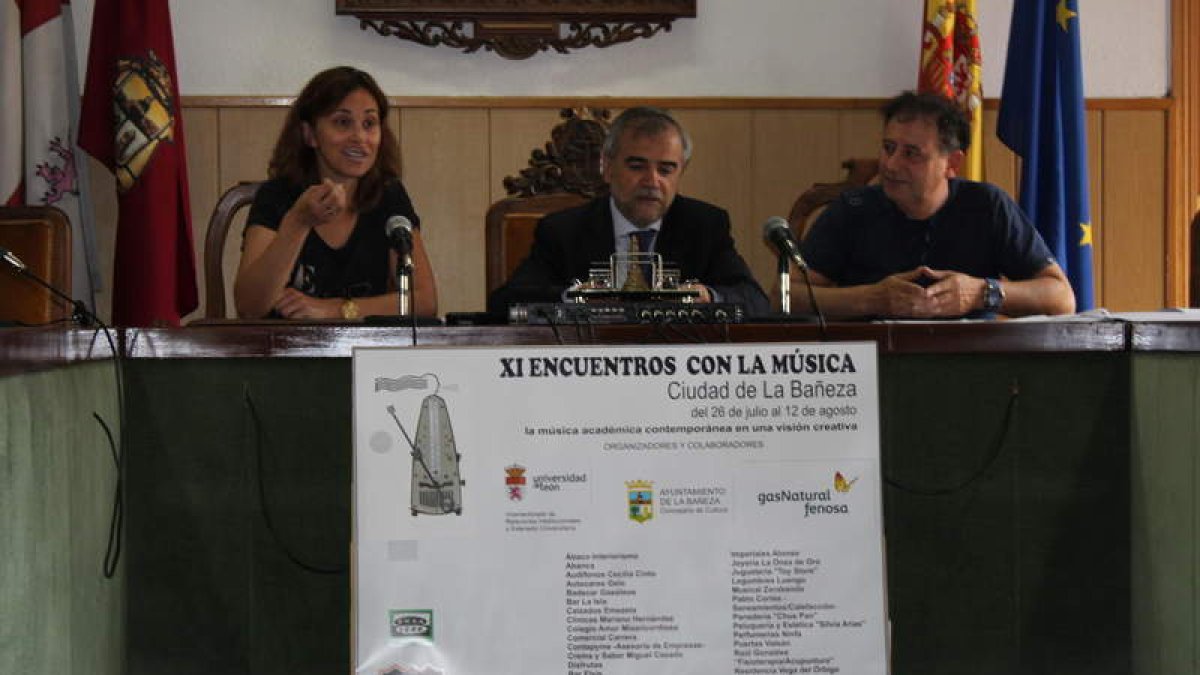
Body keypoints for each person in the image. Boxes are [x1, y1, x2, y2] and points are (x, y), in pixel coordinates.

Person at [791, 91, 1075, 319]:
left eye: (911, 154)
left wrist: (981, 293)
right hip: (875, 367)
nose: (891, 165)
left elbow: (1061, 298)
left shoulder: (987, 205)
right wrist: (870, 299)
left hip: (971, 365)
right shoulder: (852, 208)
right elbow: (786, 296)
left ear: (951, 164)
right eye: (888, 148)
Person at [487, 106, 769, 317]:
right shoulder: (564, 230)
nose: (651, 181)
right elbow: (505, 303)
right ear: (607, 168)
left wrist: (709, 297)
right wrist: (577, 298)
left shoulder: (704, 225)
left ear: (681, 171)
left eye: (666, 169)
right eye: (637, 166)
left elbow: (755, 301)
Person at [235, 66, 437, 319]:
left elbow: (424, 301)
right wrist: (298, 222)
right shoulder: (278, 195)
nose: (359, 137)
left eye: (369, 123)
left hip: (367, 354)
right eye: (343, 122)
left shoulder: (388, 195)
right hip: (288, 353)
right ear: (310, 134)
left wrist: (336, 309)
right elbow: (249, 307)